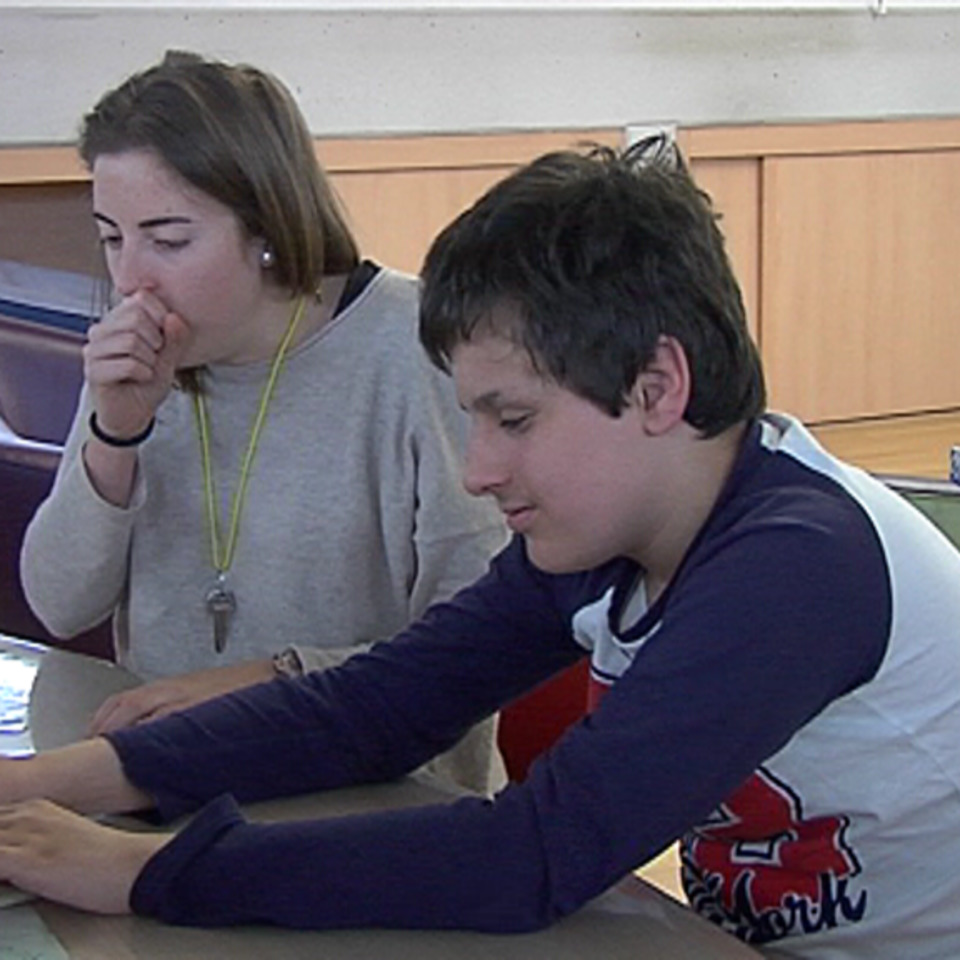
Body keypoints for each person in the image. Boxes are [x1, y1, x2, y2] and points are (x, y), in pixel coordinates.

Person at [3, 138, 960, 960]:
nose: (479, 469)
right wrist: (51, 783)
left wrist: (150, 867)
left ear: (659, 385)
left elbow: (534, 856)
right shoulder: (615, 524)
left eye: (512, 418)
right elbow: (381, 706)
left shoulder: (798, 565)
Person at [17, 51, 508, 794]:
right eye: (113, 238)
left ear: (268, 229)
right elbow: (59, 605)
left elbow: (481, 642)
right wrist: (115, 435)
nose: (130, 279)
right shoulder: (138, 352)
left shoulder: (416, 349)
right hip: (172, 781)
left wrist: (275, 681)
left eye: (169, 239)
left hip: (376, 795)